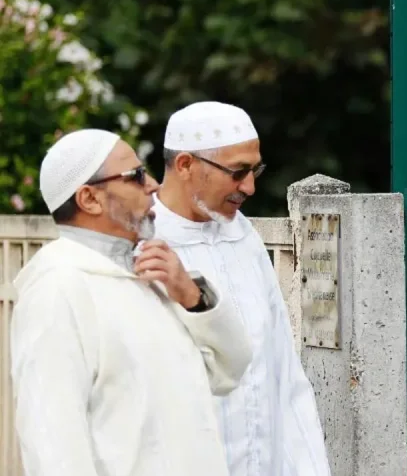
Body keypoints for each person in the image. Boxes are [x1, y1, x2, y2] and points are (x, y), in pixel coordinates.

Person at [10, 129, 253, 476]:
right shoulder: (58, 287)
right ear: (89, 199)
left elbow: (230, 370)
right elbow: (53, 442)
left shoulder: (146, 278)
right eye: (136, 176)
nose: (153, 184)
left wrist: (194, 297)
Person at [153, 101, 331, 476]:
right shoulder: (140, 246)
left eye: (255, 170)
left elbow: (282, 370)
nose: (249, 187)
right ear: (185, 165)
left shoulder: (243, 237)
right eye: (238, 172)